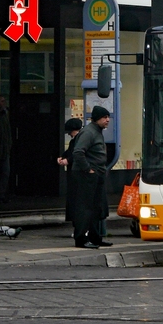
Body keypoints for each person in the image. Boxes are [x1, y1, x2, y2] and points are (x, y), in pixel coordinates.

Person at [70, 106, 113, 248]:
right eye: (104, 117)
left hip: (96, 174)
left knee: (96, 208)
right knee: (85, 207)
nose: (107, 120)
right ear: (96, 119)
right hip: (86, 176)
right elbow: (78, 152)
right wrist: (88, 169)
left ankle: (95, 237)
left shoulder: (97, 131)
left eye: (108, 117)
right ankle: (81, 238)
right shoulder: (89, 133)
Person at [58, 118, 84, 223]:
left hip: (76, 172)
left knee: (76, 198)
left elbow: (76, 153)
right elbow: (70, 152)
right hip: (74, 172)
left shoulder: (78, 140)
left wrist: (67, 160)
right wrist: (63, 156)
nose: (69, 134)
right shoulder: (78, 139)